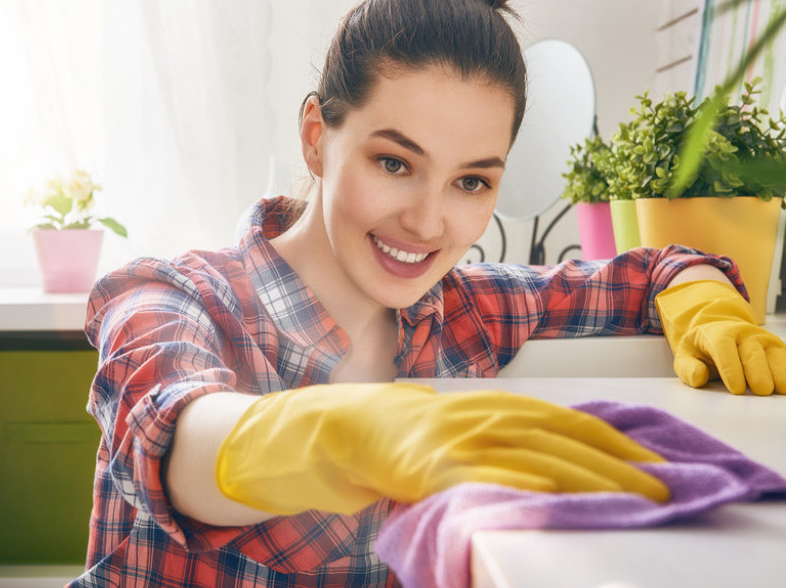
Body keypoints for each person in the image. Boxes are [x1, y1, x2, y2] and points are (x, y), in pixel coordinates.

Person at [68, 0, 786, 585]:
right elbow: (173, 441)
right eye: (393, 162)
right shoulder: (172, 297)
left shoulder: (466, 314)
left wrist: (703, 298)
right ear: (316, 136)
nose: (427, 221)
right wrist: (344, 436)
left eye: (471, 181)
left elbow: (654, 268)